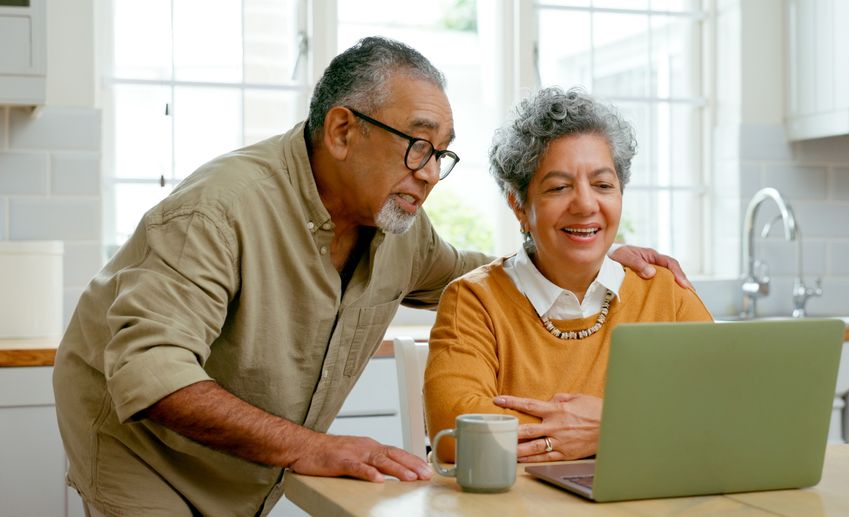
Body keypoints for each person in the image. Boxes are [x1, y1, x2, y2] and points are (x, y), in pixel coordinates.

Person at [52, 37, 689, 516]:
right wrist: (309, 447)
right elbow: (148, 370)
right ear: (341, 130)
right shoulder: (219, 209)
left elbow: (480, 275)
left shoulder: (396, 227)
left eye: (442, 152)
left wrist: (591, 257)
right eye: (418, 145)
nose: (431, 172)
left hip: (247, 464)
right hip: (143, 447)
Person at [424, 87, 714, 463]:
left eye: (603, 185)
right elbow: (457, 433)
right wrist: (627, 427)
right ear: (518, 204)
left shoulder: (666, 293)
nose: (586, 204)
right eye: (559, 187)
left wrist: (609, 425)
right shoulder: (475, 301)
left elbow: (725, 412)